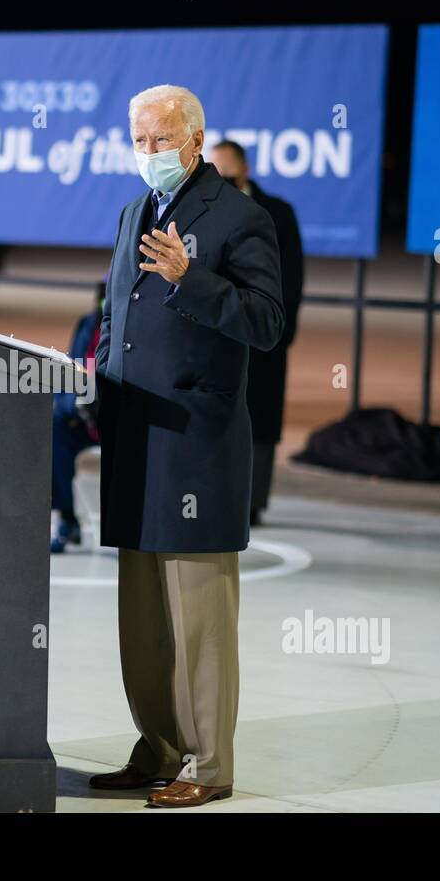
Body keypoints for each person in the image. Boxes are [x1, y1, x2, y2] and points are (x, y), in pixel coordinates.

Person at [92, 85, 284, 807]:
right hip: (135, 437)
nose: (150, 154)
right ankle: (158, 747)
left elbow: (266, 321)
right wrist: (100, 384)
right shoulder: (133, 211)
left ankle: (210, 767)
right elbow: (113, 311)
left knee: (199, 617)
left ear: (196, 141)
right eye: (139, 141)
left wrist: (189, 279)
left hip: (196, 442)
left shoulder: (240, 217)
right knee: (142, 616)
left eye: (162, 140)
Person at [209, 139, 305, 525]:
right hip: (220, 330)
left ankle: (251, 504)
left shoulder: (278, 212)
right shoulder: (206, 208)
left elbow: (293, 276)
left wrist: (282, 330)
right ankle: (216, 495)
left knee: (261, 420)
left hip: (265, 330)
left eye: (229, 176)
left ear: (245, 171)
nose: (223, 184)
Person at [50, 285, 104, 553]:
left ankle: (131, 530)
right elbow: (72, 365)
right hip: (84, 416)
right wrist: (67, 403)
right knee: (55, 432)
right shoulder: (88, 324)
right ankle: (68, 520)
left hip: (119, 417)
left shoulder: (133, 328)